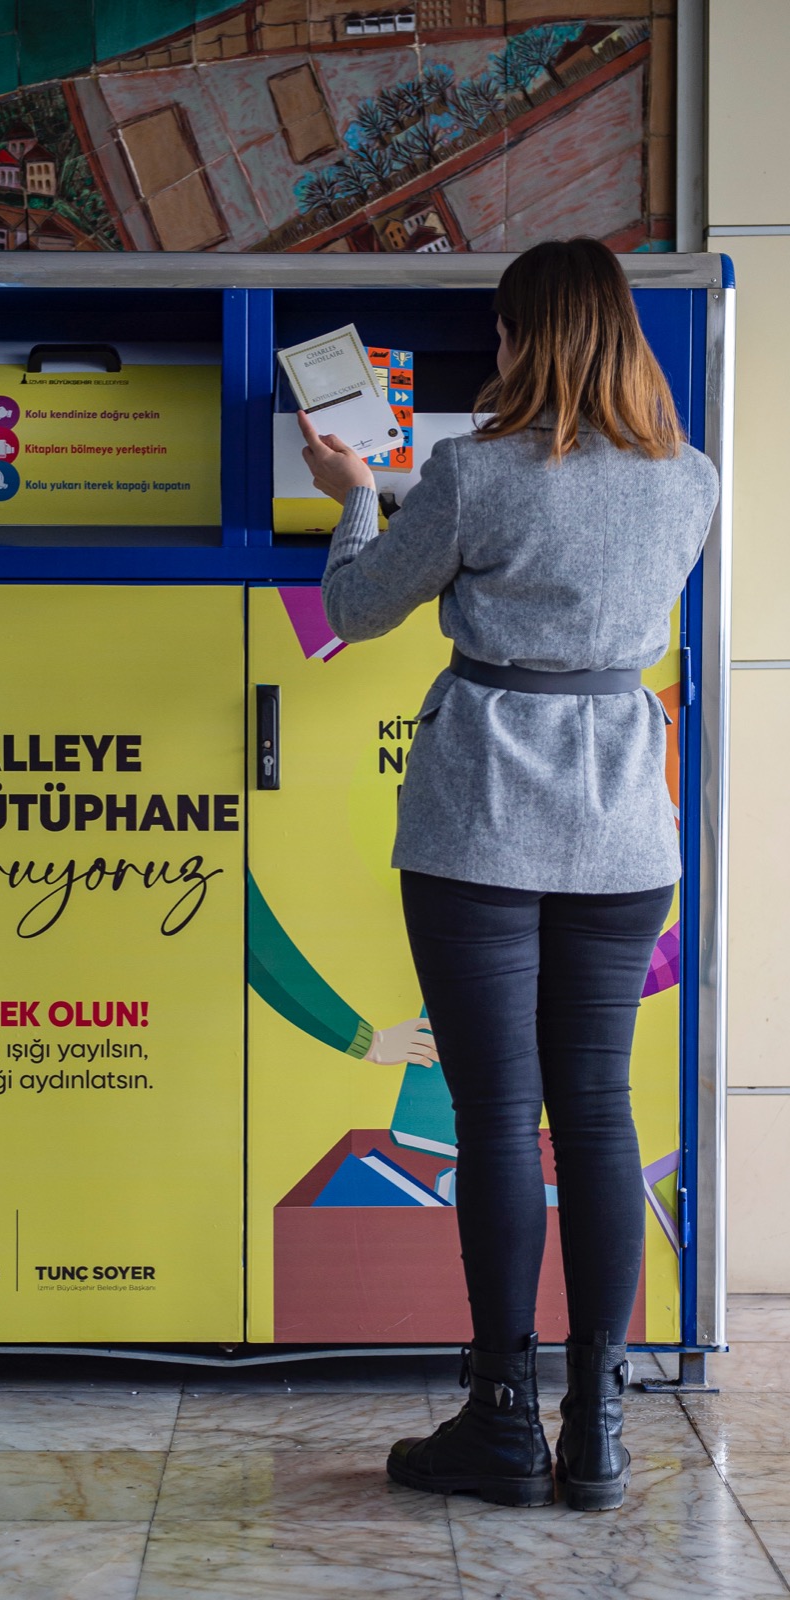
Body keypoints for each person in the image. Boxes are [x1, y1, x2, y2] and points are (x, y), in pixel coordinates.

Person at [297, 238, 720, 1514]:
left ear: (527, 336)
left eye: (500, 327)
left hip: (478, 824)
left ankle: (499, 1421)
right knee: (595, 1111)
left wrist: (353, 493)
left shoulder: (471, 471)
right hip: (621, 830)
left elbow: (356, 609)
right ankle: (597, 1428)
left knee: (493, 1115)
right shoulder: (689, 478)